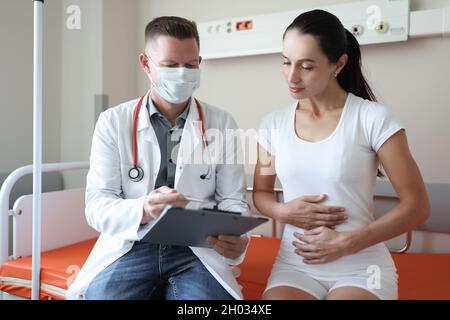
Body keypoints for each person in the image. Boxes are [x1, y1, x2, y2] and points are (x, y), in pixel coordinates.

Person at [67, 16, 250, 300]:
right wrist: (144, 208)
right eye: (170, 65)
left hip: (195, 248)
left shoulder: (221, 122)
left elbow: (233, 200)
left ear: (199, 62)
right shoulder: (113, 122)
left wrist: (236, 238)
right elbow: (97, 205)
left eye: (190, 66)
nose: (182, 73)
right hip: (134, 241)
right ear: (145, 63)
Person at [253, 9, 430, 300]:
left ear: (339, 63)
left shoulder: (372, 118)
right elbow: (261, 193)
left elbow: (418, 206)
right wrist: (282, 211)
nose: (292, 77)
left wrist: (347, 243)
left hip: (360, 267)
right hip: (295, 265)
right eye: (286, 62)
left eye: (307, 66)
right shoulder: (272, 125)